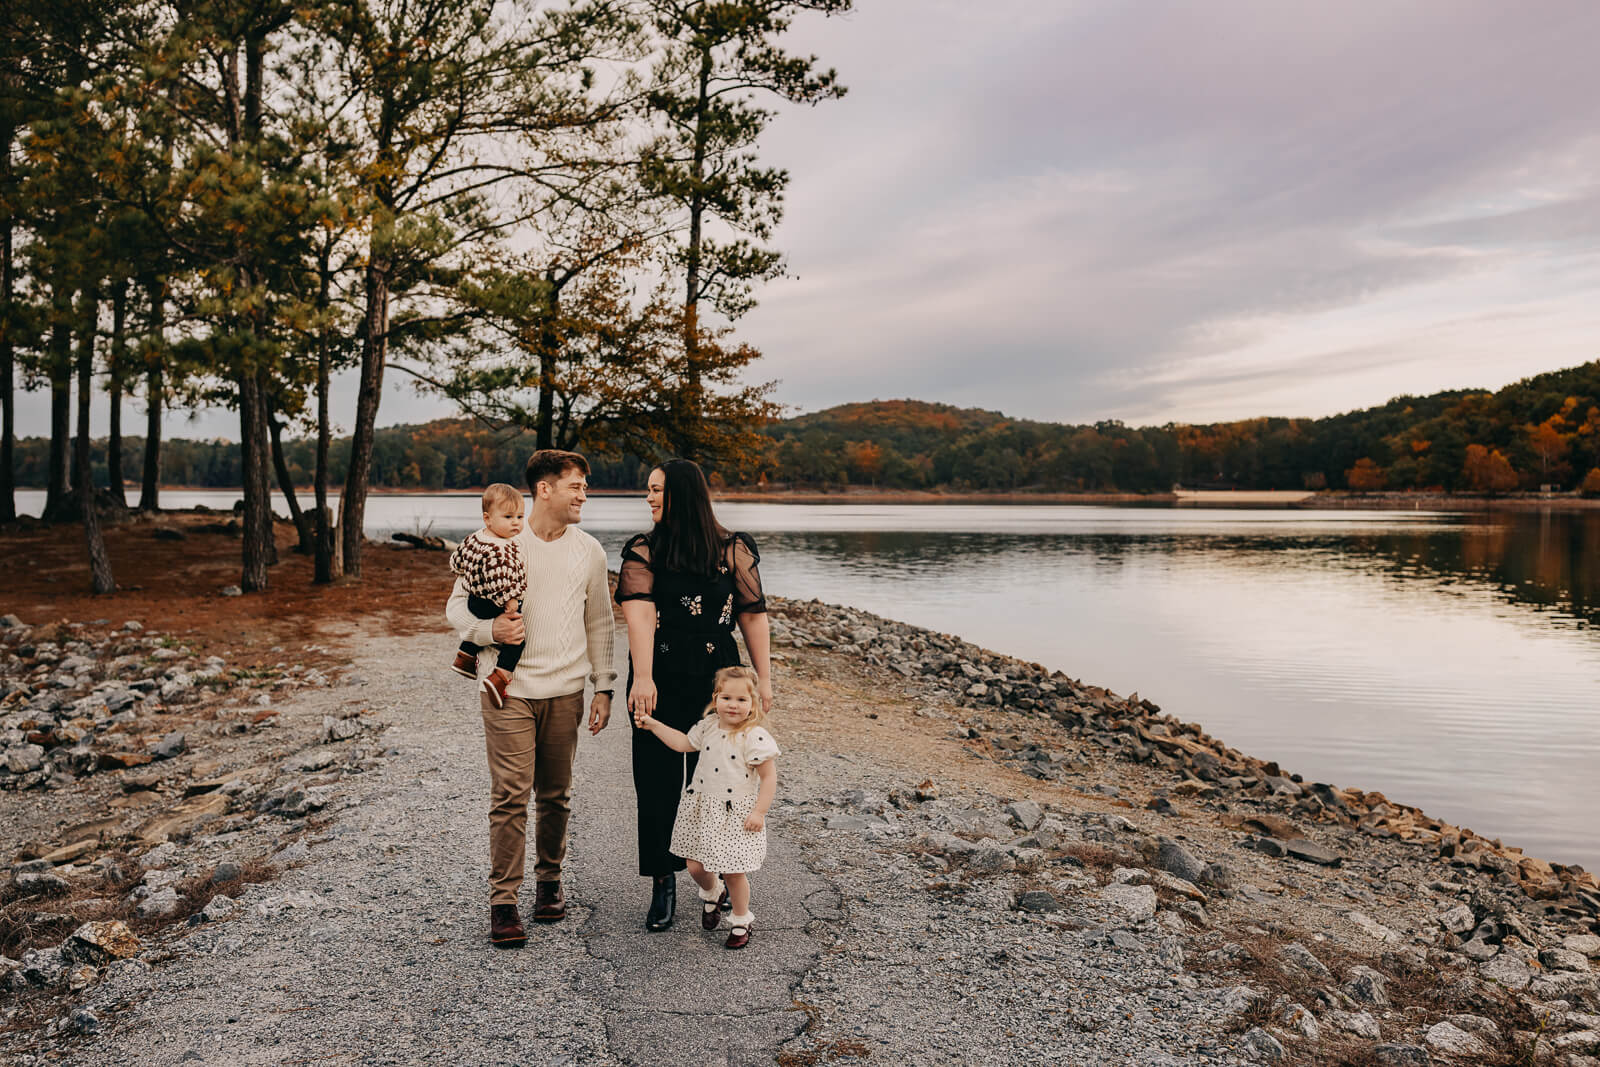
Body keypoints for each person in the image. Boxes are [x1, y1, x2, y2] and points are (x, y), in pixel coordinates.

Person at [445, 450, 615, 948]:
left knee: (556, 795)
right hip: (508, 689)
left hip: (566, 690)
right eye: (576, 486)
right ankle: (503, 903)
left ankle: (549, 883)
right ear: (545, 489)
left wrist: (604, 685)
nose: (584, 494)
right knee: (510, 795)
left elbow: (601, 621)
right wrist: (487, 627)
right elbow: (456, 607)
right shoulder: (497, 540)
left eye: (585, 487)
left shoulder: (589, 551)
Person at [615, 459, 772, 932]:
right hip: (658, 675)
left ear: (682, 494)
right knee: (658, 780)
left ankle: (723, 877)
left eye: (657, 489)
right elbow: (638, 615)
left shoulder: (732, 549)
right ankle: (663, 881)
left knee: (723, 782)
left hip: (717, 682)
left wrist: (764, 678)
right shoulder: (644, 549)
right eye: (648, 490)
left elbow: (753, 615)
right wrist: (643, 677)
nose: (649, 497)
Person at [633, 666, 778, 950]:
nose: (733, 706)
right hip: (703, 809)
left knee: (734, 870)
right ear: (715, 698)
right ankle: (712, 891)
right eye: (726, 698)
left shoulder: (754, 736)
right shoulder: (708, 726)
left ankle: (740, 920)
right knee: (695, 866)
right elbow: (682, 743)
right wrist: (653, 725)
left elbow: (769, 777)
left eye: (741, 700)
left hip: (736, 814)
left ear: (753, 704)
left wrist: (759, 811)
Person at [448, 483, 528, 709]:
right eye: (508, 516)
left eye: (520, 516)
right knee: (517, 639)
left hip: (475, 600)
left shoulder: (475, 538)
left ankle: (465, 657)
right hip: (494, 601)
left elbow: (456, 561)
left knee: (485, 621)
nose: (516, 522)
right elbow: (499, 580)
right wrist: (510, 601)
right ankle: (499, 677)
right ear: (488, 518)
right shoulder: (499, 549)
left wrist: (464, 571)